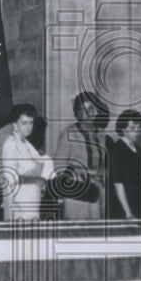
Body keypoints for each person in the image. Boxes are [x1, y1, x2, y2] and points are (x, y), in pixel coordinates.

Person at [53, 92, 106, 220]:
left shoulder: (101, 135)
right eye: (84, 109)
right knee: (77, 232)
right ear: (77, 113)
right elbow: (58, 166)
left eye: (92, 109)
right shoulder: (69, 133)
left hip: (97, 190)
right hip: (77, 192)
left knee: (96, 232)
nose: (89, 113)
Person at [0, 104, 53, 220]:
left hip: (32, 200)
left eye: (31, 123)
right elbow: (9, 178)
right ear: (15, 124)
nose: (28, 127)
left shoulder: (27, 144)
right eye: (24, 123)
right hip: (19, 203)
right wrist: (35, 179)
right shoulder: (11, 144)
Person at [108, 109, 141, 220]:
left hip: (138, 203)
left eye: (139, 128)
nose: (137, 132)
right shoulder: (117, 150)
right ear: (123, 129)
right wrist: (128, 213)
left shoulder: (138, 149)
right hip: (124, 207)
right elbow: (118, 184)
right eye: (133, 128)